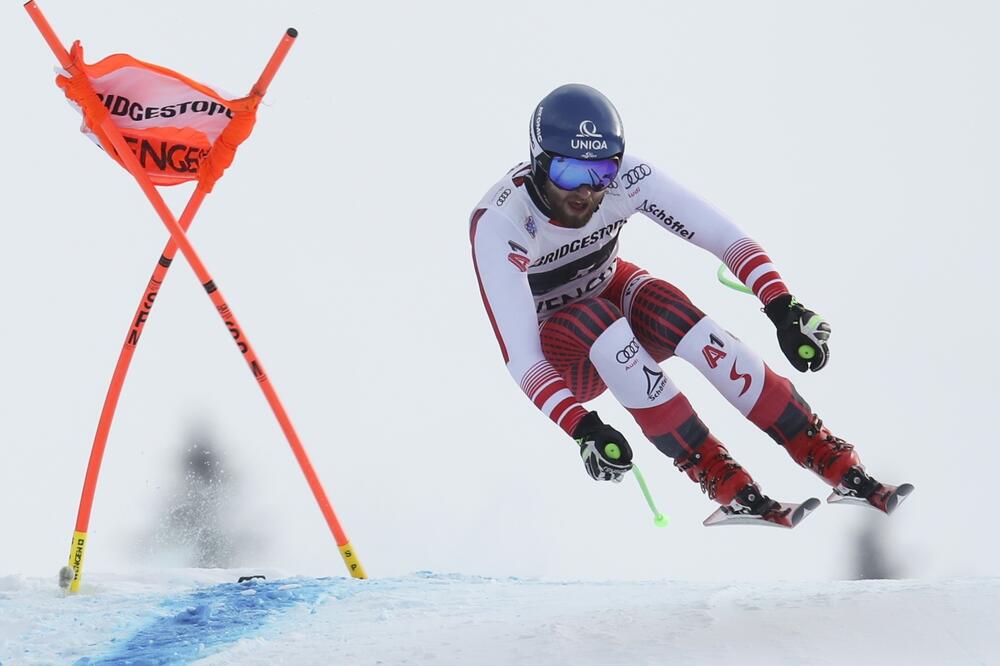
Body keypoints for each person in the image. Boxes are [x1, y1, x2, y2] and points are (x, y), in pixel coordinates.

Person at [468, 83, 911, 525]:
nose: (586, 191)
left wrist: (782, 307)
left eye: (601, 172)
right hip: (564, 353)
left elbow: (724, 236)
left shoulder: (629, 178)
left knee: (668, 306)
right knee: (599, 318)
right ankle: (719, 476)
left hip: (608, 290)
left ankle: (830, 457)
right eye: (569, 173)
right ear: (539, 162)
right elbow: (524, 359)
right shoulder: (502, 222)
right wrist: (583, 427)